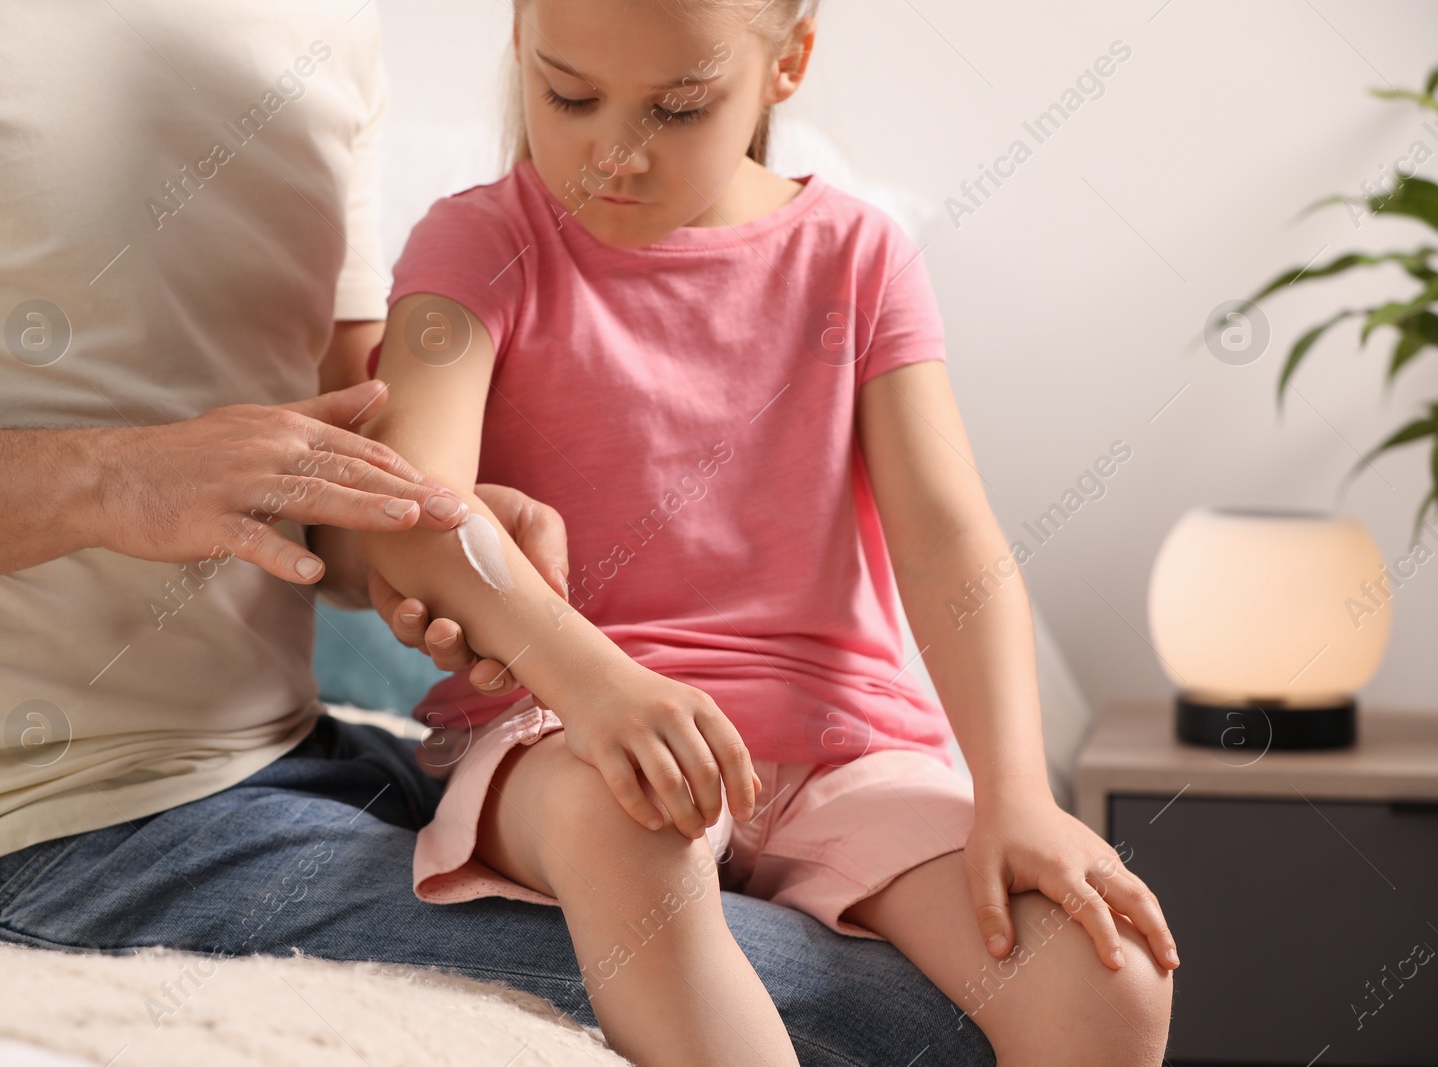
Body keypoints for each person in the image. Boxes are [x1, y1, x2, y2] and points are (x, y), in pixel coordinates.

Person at [0, 2, 1001, 1063]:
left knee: (1021, 960)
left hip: (283, 754)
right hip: (11, 819)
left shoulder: (319, 24)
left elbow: (351, 485)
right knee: (901, 1019)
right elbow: (174, 476)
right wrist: (109, 476)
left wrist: (435, 540)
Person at [357, 0, 1179, 1063]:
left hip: (842, 752)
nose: (615, 150)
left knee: (1104, 971)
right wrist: (600, 687)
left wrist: (1015, 792)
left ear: (787, 61)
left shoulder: (860, 257)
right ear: (519, 39)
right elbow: (410, 508)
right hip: (560, 730)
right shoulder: (472, 242)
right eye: (568, 95)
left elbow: (947, 537)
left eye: (679, 108)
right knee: (632, 817)